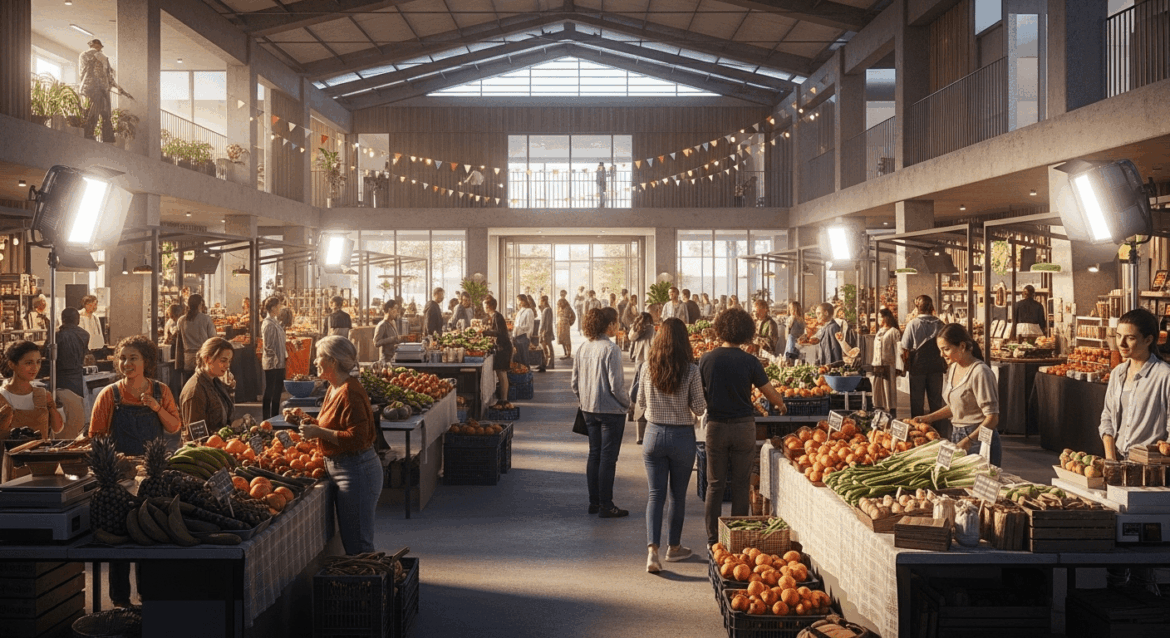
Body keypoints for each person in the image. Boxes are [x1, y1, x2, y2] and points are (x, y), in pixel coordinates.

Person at [88, 336, 181, 608]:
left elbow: (175, 427)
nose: (126, 363)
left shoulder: (161, 391)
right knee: (119, 536)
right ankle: (120, 601)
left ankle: (148, 595)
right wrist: (117, 460)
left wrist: (155, 407)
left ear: (147, 362)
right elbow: (96, 437)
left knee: (149, 533)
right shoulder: (109, 395)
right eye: (123, 358)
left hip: (150, 478)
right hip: (119, 479)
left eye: (133, 358)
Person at [699, 307, 786, 547]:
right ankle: (736, 536)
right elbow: (769, 392)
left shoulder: (707, 359)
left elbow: (700, 393)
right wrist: (780, 405)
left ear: (721, 330)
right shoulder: (750, 360)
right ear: (746, 332)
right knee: (740, 483)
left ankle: (712, 538)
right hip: (743, 427)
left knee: (715, 484)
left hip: (716, 427)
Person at [1097, 309, 1169, 594]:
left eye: (1130, 339)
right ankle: (1114, 602)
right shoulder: (1118, 372)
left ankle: (1146, 611)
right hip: (1117, 467)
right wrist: (1110, 457)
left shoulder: (1163, 376)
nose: (1122, 344)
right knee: (1114, 543)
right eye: (1118, 337)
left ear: (1150, 339)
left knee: (1142, 548)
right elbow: (1106, 418)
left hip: (1148, 474)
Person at [636, 318, 707, 572]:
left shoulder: (647, 367)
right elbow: (699, 408)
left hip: (653, 435)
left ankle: (652, 553)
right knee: (677, 496)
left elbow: (641, 401)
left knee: (655, 495)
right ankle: (674, 548)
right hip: (681, 439)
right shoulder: (691, 370)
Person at [298, 336, 380, 555]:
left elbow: (358, 438)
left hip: (356, 470)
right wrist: (304, 421)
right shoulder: (333, 388)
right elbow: (332, 424)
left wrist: (318, 432)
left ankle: (368, 586)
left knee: (359, 546)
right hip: (343, 467)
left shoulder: (349, 392)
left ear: (332, 361)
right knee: (353, 541)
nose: (315, 361)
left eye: (319, 357)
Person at [910, 323, 1001, 466]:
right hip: (957, 434)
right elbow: (955, 407)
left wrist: (970, 441)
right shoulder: (952, 368)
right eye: (940, 350)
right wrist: (928, 418)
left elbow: (992, 418)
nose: (942, 355)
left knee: (977, 483)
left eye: (946, 349)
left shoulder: (980, 372)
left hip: (978, 438)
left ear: (962, 346)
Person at [573, 307, 630, 518]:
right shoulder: (611, 349)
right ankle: (607, 505)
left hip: (588, 410)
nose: (618, 326)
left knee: (594, 454)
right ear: (609, 325)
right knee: (608, 458)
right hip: (610, 411)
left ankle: (594, 502)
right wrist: (628, 404)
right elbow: (616, 386)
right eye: (616, 322)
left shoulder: (583, 348)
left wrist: (584, 399)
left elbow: (574, 382)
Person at [0, 341, 63, 447]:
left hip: (42, 460)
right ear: (12, 364)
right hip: (10, 461)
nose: (35, 368)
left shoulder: (43, 395)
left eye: (38, 362)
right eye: (28, 363)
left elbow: (57, 429)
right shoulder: (2, 396)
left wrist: (52, 407)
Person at [901, 295, 948, 430]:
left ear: (917, 308)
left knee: (917, 401)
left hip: (917, 366)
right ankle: (938, 430)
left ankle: (918, 430)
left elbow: (905, 348)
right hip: (936, 366)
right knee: (936, 400)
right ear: (932, 307)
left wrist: (905, 366)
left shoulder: (913, 324)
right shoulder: (940, 324)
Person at [179, 337, 235, 438]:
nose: (227, 366)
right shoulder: (196, 390)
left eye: (229, 361)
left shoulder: (214, 381)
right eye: (223, 360)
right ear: (207, 359)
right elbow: (197, 437)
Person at [78, 39, 129, 143]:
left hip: (98, 88)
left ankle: (102, 136)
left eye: (98, 47)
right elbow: (85, 73)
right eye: (96, 47)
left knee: (102, 114)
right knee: (95, 113)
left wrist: (117, 87)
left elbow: (107, 75)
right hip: (95, 88)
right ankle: (92, 134)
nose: (97, 49)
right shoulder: (88, 56)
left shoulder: (99, 57)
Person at [177, 294, 216, 386]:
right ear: (200, 304)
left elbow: (178, 339)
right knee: (203, 384)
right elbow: (213, 339)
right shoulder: (206, 319)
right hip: (203, 356)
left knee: (188, 384)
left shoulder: (181, 320)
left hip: (187, 358)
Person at [628, 312, 654, 444]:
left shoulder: (636, 329)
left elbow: (631, 338)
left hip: (639, 364)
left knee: (638, 394)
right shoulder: (651, 330)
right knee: (647, 396)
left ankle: (640, 435)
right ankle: (646, 432)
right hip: (649, 364)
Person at [482, 297, 513, 409]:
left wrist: (485, 332)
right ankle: (503, 399)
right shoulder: (495, 316)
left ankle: (504, 400)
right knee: (501, 373)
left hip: (503, 348)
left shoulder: (497, 316)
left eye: (484, 305)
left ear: (489, 306)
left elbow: (499, 333)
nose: (483, 308)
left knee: (502, 373)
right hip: (502, 347)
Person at [870, 308, 901, 415]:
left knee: (889, 389)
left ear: (887, 318)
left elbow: (899, 351)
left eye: (880, 317)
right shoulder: (879, 331)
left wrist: (899, 367)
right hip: (877, 365)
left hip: (889, 365)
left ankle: (891, 412)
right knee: (877, 390)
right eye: (878, 317)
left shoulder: (894, 332)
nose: (878, 319)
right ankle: (878, 410)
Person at [260, 296, 286, 419]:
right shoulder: (268, 324)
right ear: (273, 307)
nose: (280, 308)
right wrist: (275, 359)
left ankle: (274, 415)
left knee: (277, 390)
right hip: (273, 363)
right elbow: (268, 345)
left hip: (279, 361)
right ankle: (266, 417)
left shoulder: (275, 322)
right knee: (270, 389)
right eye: (279, 306)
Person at [56, 308, 90, 400]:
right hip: (78, 378)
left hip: (60, 378)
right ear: (78, 320)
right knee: (77, 406)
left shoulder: (57, 335)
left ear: (62, 320)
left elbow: (47, 355)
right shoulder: (85, 335)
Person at [512, 295, 536, 370]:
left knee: (524, 359)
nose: (517, 303)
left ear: (523, 301)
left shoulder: (529, 311)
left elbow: (528, 326)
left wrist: (517, 328)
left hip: (523, 337)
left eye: (518, 300)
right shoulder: (520, 311)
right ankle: (520, 378)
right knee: (518, 359)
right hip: (517, 337)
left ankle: (526, 376)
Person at [539, 295, 555, 371]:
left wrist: (544, 332)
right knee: (545, 347)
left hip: (546, 332)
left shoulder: (547, 310)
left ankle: (550, 363)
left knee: (548, 347)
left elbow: (547, 322)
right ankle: (545, 362)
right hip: (545, 331)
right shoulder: (545, 309)